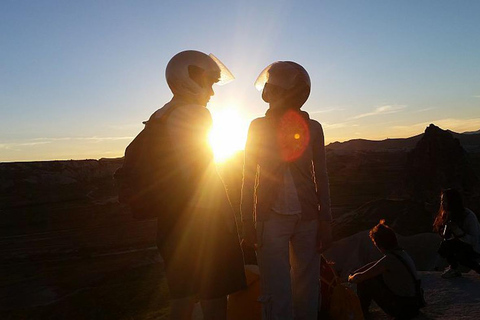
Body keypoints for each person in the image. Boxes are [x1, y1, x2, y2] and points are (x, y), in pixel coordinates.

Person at [152, 50, 246, 320]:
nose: (212, 93)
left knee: (182, 297)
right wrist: (224, 219)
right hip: (202, 221)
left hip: (171, 220)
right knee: (214, 297)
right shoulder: (195, 114)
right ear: (190, 78)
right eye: (211, 83)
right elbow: (202, 174)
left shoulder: (161, 114)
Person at [241, 61, 332, 320]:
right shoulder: (257, 126)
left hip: (308, 217)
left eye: (275, 89)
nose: (269, 95)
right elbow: (247, 176)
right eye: (269, 88)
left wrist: (326, 220)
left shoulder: (313, 127)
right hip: (269, 217)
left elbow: (322, 175)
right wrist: (247, 219)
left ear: (293, 93)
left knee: (307, 285)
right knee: (275, 287)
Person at [348, 221, 421, 320]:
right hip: (414, 304)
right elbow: (375, 265)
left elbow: (359, 278)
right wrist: (359, 270)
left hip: (403, 309)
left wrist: (351, 277)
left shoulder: (388, 260)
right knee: (374, 275)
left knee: (366, 281)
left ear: (379, 244)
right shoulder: (400, 254)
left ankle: (363, 313)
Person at [434, 188, 480, 279]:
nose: (442, 203)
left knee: (461, 256)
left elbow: (475, 241)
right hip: (462, 245)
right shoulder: (448, 215)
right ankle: (453, 268)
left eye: (445, 201)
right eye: (442, 201)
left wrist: (458, 232)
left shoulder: (468, 216)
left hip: (475, 248)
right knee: (445, 246)